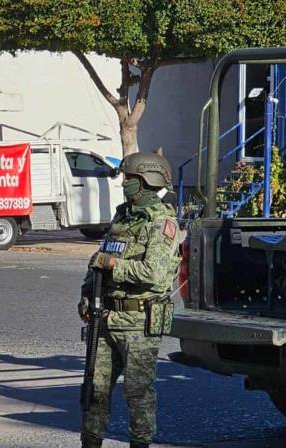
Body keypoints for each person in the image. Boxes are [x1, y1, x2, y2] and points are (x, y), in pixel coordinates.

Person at [78, 151, 181, 448]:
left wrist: (113, 266)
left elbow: (154, 273)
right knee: (95, 390)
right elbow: (97, 260)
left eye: (130, 179)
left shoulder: (161, 223)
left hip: (138, 322)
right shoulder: (122, 216)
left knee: (138, 394)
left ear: (147, 180)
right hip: (105, 318)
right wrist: (87, 294)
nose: (125, 184)